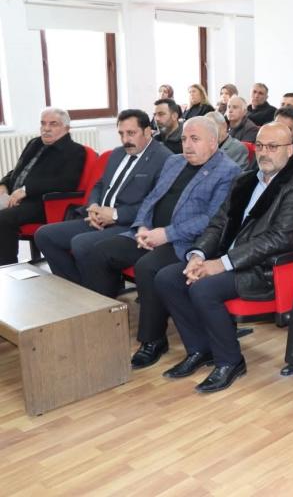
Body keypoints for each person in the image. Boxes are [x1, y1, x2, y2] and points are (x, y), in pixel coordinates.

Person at [155, 122, 293, 392]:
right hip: (227, 258)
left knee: (203, 289)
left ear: (290, 150)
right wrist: (198, 254)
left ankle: (230, 361)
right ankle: (200, 349)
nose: (264, 152)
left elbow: (277, 240)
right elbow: (219, 222)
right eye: (260, 146)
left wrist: (221, 264)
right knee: (167, 278)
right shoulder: (246, 179)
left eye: (273, 147)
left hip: (263, 269)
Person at [82, 116, 241, 369]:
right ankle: (102, 323)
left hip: (185, 242)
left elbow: (211, 219)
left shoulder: (228, 171)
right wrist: (142, 227)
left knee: (147, 267)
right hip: (150, 234)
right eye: (184, 138)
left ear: (213, 142)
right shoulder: (174, 161)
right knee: (99, 252)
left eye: (195, 139)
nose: (187, 145)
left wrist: (166, 234)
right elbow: (151, 199)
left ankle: (153, 340)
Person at [34, 109, 172, 285]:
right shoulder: (117, 153)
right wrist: (93, 206)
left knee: (81, 243)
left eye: (131, 133)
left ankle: (99, 294)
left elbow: (155, 205)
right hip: (99, 218)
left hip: (128, 224)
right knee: (44, 235)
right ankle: (76, 287)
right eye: (121, 134)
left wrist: (115, 214)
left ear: (147, 132)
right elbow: (100, 185)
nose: (125, 140)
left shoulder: (164, 159)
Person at [0, 107, 86, 265]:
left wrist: (27, 190)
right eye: (43, 123)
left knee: (3, 218)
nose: (46, 128)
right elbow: (19, 170)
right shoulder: (35, 143)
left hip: (42, 203)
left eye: (53, 124)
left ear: (66, 128)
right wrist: (4, 184)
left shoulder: (75, 151)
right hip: (15, 197)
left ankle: (8, 267)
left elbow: (66, 182)